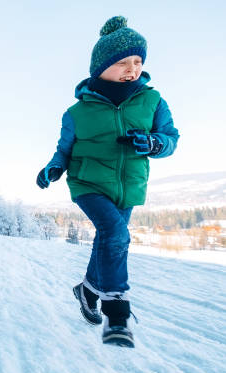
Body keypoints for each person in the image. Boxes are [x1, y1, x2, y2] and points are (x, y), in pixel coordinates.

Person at [36, 16, 179, 347]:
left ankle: (87, 290)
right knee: (116, 234)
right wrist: (54, 168)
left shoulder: (153, 101)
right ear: (100, 66)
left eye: (138, 61)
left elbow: (170, 137)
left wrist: (155, 143)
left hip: (129, 187)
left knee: (108, 239)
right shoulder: (76, 113)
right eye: (122, 62)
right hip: (88, 183)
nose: (132, 68)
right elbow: (64, 150)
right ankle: (117, 315)